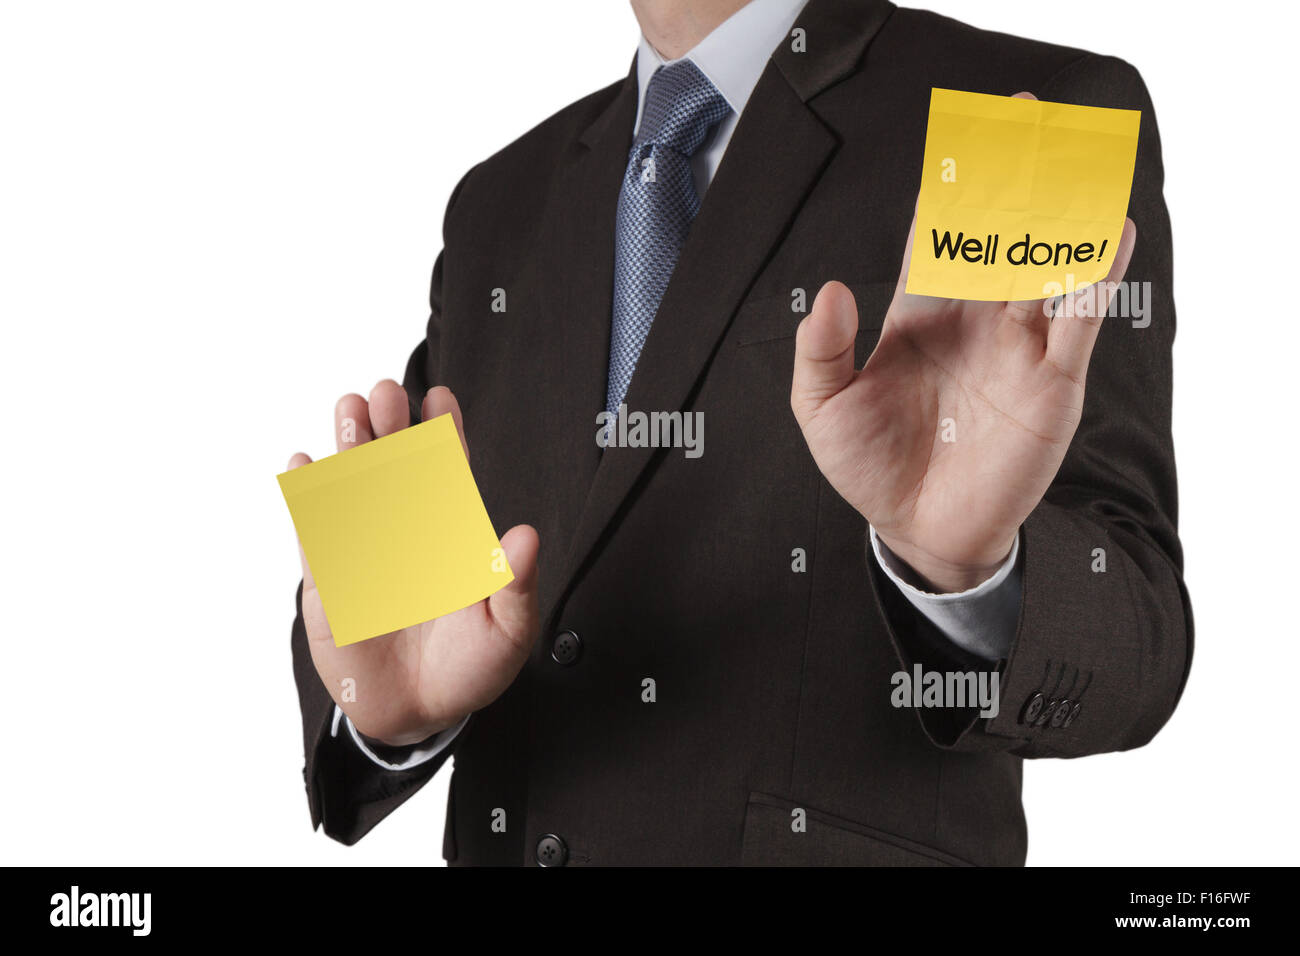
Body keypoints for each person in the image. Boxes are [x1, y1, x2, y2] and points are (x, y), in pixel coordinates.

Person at [286, 0, 1191, 865]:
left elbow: (1136, 631)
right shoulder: (499, 203)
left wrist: (966, 574)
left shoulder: (1020, 118)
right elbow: (407, 616)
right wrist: (384, 712)